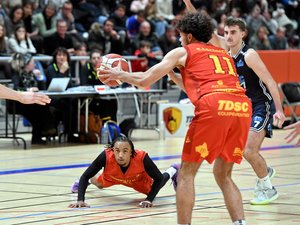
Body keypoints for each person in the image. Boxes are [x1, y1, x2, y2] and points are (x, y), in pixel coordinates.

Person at [99, 12, 252, 225]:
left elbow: (144, 80)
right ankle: (240, 222)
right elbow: (201, 89)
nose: (179, 39)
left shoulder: (183, 51)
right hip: (241, 107)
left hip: (214, 105)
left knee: (186, 174)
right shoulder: (221, 54)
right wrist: (174, 75)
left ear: (189, 37)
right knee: (223, 174)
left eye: (180, 35)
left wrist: (119, 75)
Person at [224, 17, 286, 205]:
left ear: (243, 33)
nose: (228, 36)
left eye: (233, 32)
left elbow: (269, 81)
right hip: (242, 109)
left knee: (248, 150)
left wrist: (280, 110)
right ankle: (264, 172)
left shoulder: (249, 55)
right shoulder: (225, 56)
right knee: (245, 151)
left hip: (261, 105)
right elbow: (206, 29)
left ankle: (267, 189)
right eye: (226, 32)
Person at [69, 136, 179, 208]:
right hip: (113, 176)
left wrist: (149, 200)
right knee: (99, 184)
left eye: (125, 151)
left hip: (137, 179)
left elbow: (158, 178)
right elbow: (85, 174)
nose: (120, 155)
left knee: (155, 187)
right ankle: (82, 182)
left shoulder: (142, 158)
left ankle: (173, 169)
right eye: (117, 151)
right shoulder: (106, 156)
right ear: (113, 150)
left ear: (131, 152)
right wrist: (80, 200)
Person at [9, 53, 56, 144]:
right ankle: (45, 130)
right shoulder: (17, 75)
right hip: (17, 104)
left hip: (30, 102)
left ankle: (43, 132)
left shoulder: (32, 75)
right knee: (39, 110)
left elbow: (41, 88)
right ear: (26, 64)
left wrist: (40, 77)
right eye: (32, 62)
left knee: (43, 105)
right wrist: (29, 89)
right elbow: (16, 88)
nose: (34, 65)